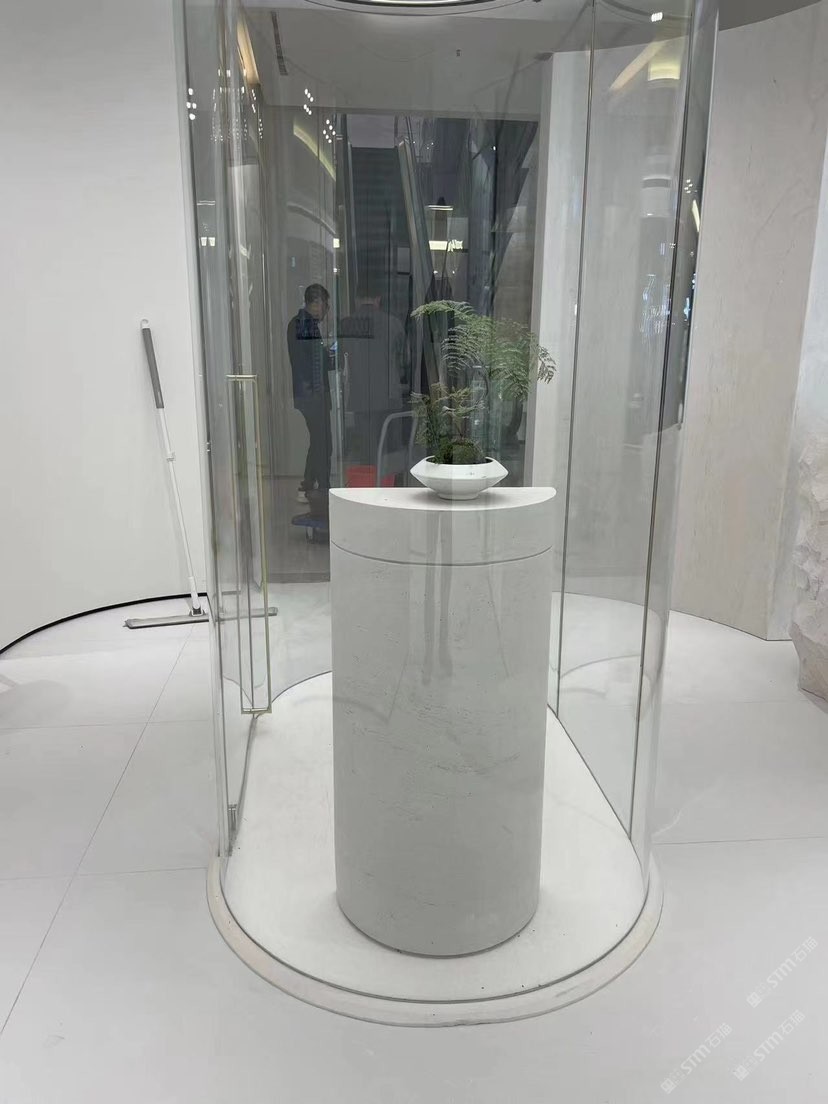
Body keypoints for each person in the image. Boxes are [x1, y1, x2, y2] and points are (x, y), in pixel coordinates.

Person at [338, 280, 406, 473]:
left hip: (360, 396)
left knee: (367, 451)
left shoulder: (346, 324)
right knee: (389, 448)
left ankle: (369, 483)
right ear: (378, 299)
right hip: (389, 395)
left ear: (357, 299)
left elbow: (339, 360)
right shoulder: (393, 323)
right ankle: (389, 483)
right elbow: (405, 360)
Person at [287, 284, 332, 503]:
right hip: (313, 395)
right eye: (325, 305)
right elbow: (313, 363)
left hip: (309, 394)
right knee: (323, 442)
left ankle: (308, 483)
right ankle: (322, 487)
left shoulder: (300, 323)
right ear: (316, 303)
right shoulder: (305, 325)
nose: (326, 310)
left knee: (318, 440)